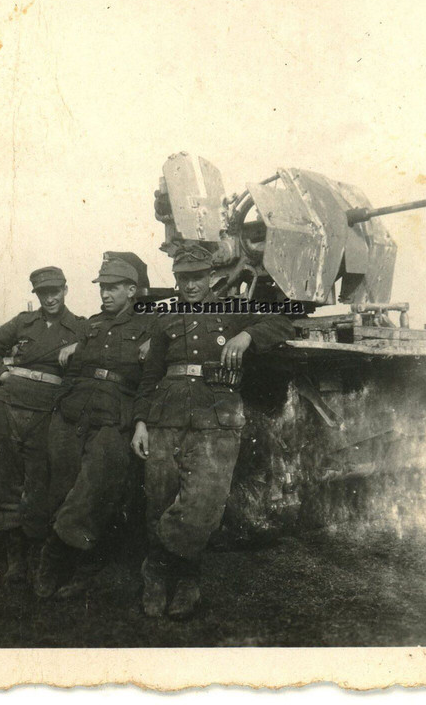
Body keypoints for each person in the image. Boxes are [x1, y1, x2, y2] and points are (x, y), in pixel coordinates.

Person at [131, 243, 295, 619]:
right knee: (159, 499)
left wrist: (248, 336)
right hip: (165, 417)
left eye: (197, 278)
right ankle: (171, 582)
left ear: (211, 278)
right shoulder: (164, 318)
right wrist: (140, 422)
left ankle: (164, 569)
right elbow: (149, 375)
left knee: (203, 504)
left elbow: (285, 319)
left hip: (216, 419)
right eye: (183, 278)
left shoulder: (232, 310)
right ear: (176, 279)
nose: (190, 286)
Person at [33, 254, 151, 599]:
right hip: (75, 409)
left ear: (131, 290)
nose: (105, 294)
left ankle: (56, 559)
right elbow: (74, 362)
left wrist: (154, 343)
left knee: (92, 491)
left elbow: (148, 378)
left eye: (113, 288)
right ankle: (76, 564)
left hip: (114, 417)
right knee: (61, 486)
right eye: (102, 288)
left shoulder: (149, 325)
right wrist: (76, 346)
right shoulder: (92, 325)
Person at [0, 266, 87, 585]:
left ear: (66, 289)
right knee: (4, 480)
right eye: (43, 292)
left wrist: (79, 348)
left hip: (46, 411)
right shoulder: (23, 322)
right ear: (36, 295)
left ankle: (40, 555)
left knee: (40, 483)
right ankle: (15, 559)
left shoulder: (80, 327)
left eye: (55, 291)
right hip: (8, 407)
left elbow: (99, 347)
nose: (50, 297)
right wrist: (1, 374)